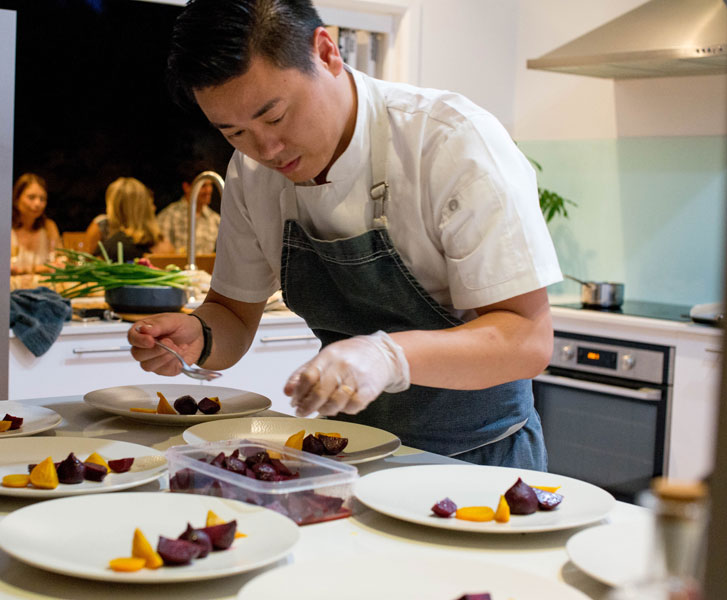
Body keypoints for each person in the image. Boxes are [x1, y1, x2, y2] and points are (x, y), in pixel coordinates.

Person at [128, 0, 562, 470]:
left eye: (274, 117)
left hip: (479, 460)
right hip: (344, 455)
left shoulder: (450, 142)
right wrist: (200, 334)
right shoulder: (252, 174)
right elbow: (232, 312)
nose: (266, 149)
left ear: (326, 52)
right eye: (234, 132)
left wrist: (387, 356)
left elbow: (527, 340)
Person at [83, 177, 174, 262]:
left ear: (114, 207)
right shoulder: (164, 245)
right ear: (146, 206)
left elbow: (87, 266)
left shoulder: (110, 248)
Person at [156, 170, 221, 254]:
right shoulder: (169, 216)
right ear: (187, 187)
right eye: (203, 186)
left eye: (210, 185)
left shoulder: (215, 219)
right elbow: (161, 255)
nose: (208, 190)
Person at [11, 173, 61, 275]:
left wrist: (25, 270)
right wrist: (42, 268)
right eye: (31, 197)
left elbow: (59, 262)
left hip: (42, 288)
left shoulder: (48, 227)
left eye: (42, 199)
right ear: (16, 199)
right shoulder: (5, 228)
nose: (38, 204)